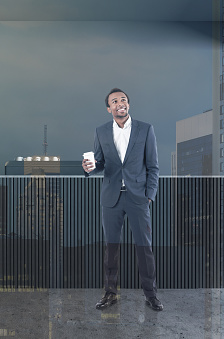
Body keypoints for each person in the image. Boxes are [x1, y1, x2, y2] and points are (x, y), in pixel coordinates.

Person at [82, 88, 162, 311]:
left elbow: (153, 166)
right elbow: (99, 163)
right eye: (114, 101)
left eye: (123, 100)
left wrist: (149, 196)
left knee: (144, 248)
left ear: (128, 105)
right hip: (111, 198)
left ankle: (151, 294)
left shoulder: (145, 130)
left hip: (138, 198)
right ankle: (110, 294)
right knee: (111, 248)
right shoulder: (101, 132)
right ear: (109, 108)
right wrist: (89, 168)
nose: (120, 103)